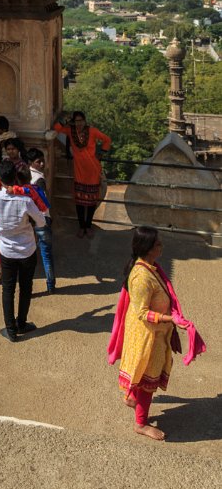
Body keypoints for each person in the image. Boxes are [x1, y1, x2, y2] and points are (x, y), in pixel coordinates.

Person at [108, 227, 205, 441]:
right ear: (148, 249)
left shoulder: (150, 267)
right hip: (148, 336)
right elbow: (142, 313)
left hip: (153, 333)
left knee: (141, 373)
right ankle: (141, 424)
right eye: (158, 244)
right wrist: (171, 319)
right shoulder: (142, 277)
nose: (162, 247)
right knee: (147, 382)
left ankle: (131, 397)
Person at [0, 160, 46, 341]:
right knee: (26, 288)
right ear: (15, 178)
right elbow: (42, 221)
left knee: (8, 290)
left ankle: (11, 330)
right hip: (27, 250)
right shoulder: (25, 200)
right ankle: (22, 323)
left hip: (7, 251)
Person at [53, 111, 111, 238]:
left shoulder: (93, 131)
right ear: (74, 122)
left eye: (81, 121)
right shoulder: (70, 130)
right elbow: (56, 128)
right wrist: (66, 121)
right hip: (79, 170)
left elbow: (107, 140)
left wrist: (101, 153)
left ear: (85, 121)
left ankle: (88, 226)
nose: (79, 124)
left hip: (93, 169)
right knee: (79, 201)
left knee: (91, 201)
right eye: (77, 121)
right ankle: (81, 226)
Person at [26, 149, 56, 294]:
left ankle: (28, 288)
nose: (42, 164)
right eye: (39, 161)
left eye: (42, 160)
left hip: (28, 219)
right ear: (31, 163)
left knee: (29, 256)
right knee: (46, 254)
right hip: (42, 220)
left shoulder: (24, 176)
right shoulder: (39, 180)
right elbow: (43, 202)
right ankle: (50, 284)